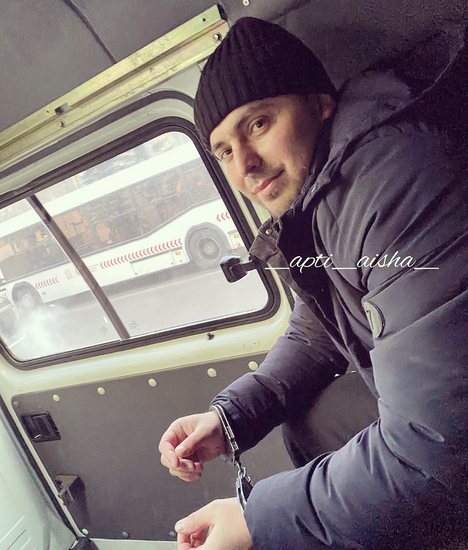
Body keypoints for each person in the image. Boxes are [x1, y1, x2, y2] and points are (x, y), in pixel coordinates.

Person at [159, 17, 468, 550]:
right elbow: (320, 327)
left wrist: (254, 519)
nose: (245, 166)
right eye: (224, 151)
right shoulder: (324, 200)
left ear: (321, 104)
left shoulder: (392, 180)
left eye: (258, 124)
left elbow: (434, 453)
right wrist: (229, 418)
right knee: (307, 423)